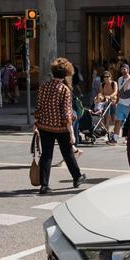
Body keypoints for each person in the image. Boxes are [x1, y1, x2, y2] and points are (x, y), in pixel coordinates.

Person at [34, 58, 86, 194]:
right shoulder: (64, 89)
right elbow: (67, 113)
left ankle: (44, 185)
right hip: (61, 127)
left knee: (46, 155)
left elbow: (38, 107)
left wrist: (36, 123)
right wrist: (71, 133)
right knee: (68, 153)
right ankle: (77, 177)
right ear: (67, 73)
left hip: (44, 126)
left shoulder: (44, 87)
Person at [97, 71, 119, 141]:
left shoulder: (114, 83)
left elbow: (115, 92)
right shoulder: (102, 84)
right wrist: (99, 96)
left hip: (113, 102)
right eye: (105, 77)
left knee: (114, 119)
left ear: (110, 77)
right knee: (106, 118)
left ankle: (114, 133)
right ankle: (107, 134)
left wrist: (109, 96)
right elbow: (100, 92)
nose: (106, 78)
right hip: (106, 102)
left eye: (108, 76)